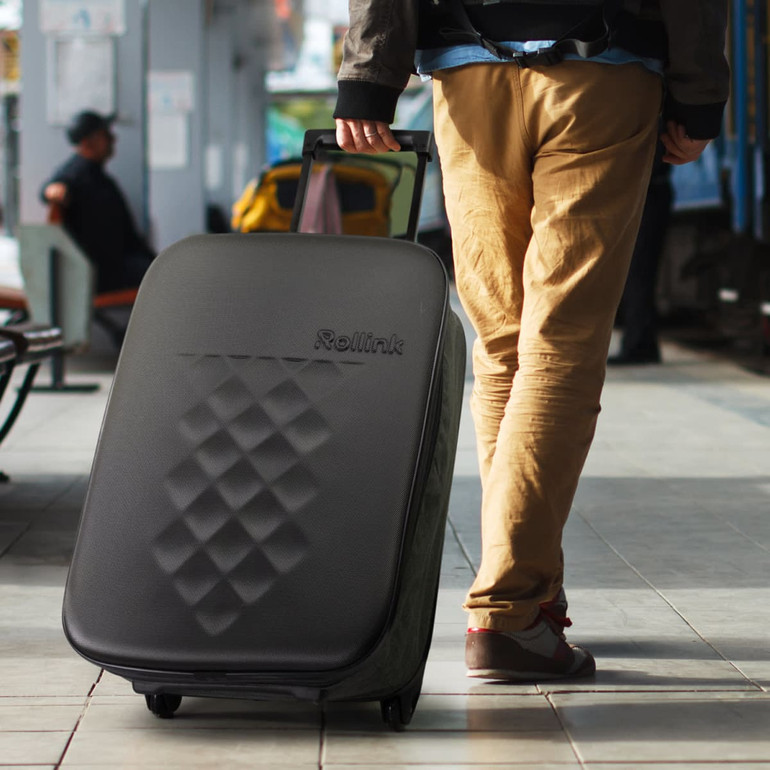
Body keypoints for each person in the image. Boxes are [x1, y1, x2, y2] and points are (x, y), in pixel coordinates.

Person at [333, 0, 728, 681]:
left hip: (468, 75)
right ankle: (510, 610)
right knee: (559, 347)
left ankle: (530, 586)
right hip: (600, 68)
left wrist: (370, 74)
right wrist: (698, 94)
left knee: (504, 351)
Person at [41, 110, 154, 294]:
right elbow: (54, 186)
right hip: (106, 272)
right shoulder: (78, 172)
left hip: (119, 264)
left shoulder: (96, 174)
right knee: (172, 279)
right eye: (106, 135)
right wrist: (51, 190)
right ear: (87, 142)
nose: (113, 139)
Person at [609, 141, 673, 365]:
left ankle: (639, 344)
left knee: (637, 271)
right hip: (649, 189)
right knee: (638, 271)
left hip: (647, 192)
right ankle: (639, 342)